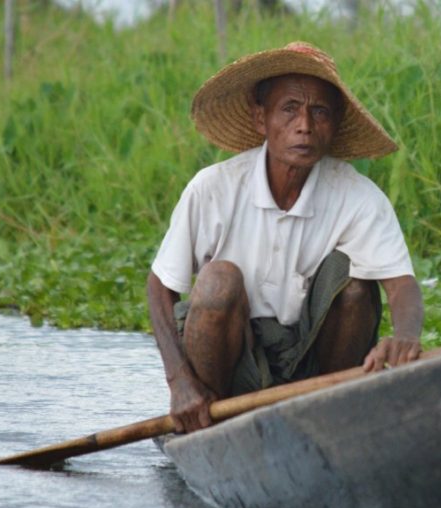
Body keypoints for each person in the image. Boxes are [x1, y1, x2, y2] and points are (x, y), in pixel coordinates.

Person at [147, 42, 424, 434]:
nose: (305, 126)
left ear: (335, 124)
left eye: (320, 112)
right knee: (217, 280)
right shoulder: (214, 188)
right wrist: (180, 383)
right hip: (231, 363)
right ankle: (205, 422)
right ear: (261, 119)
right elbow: (161, 285)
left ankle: (329, 416)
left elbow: (401, 286)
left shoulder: (358, 197)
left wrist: (405, 338)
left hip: (313, 367)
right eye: (290, 109)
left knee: (357, 283)